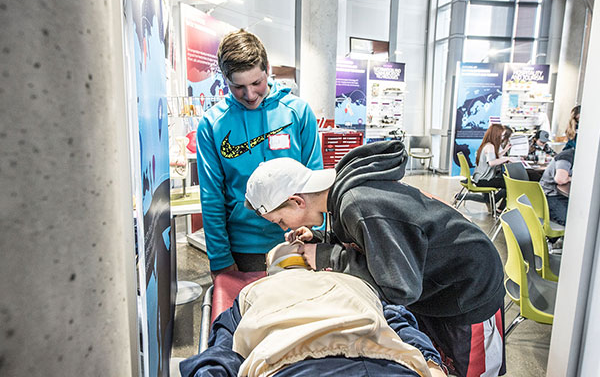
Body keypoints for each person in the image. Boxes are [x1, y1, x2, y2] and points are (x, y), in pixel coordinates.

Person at [244, 141, 506, 377]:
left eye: (280, 220)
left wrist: (327, 256)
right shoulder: (340, 193)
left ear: (297, 201)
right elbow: (371, 243)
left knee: (464, 371)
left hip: (468, 293)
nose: (283, 229)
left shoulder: (358, 205)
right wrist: (321, 240)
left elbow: (399, 288)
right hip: (436, 288)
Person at [180, 242, 447, 377]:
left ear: (270, 270)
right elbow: (401, 325)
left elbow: (223, 350)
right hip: (388, 364)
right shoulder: (355, 284)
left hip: (291, 367)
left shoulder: (251, 293)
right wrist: (434, 367)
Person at [196, 29, 323, 277]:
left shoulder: (297, 113)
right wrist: (220, 258)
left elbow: (315, 180)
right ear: (225, 79)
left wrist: (317, 234)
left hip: (296, 240)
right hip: (243, 248)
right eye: (238, 87)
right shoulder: (212, 124)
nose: (250, 95)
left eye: (256, 83)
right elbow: (211, 197)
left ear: (267, 68)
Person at [472, 124, 518, 211]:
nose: (502, 137)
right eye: (502, 135)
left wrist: (505, 151)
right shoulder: (490, 146)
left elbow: (494, 158)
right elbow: (492, 163)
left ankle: (493, 203)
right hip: (484, 179)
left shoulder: (487, 144)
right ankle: (497, 206)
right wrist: (507, 158)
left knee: (506, 185)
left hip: (480, 178)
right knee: (511, 185)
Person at [540, 148, 574, 226]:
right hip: (551, 194)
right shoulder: (566, 156)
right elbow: (560, 179)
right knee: (570, 222)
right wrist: (573, 178)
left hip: (561, 193)